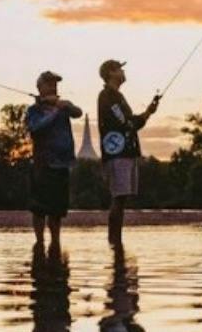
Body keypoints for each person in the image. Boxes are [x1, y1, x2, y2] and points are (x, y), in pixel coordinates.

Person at [96, 59, 159, 247]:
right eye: (120, 69)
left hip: (126, 152)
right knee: (119, 197)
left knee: (122, 199)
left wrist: (148, 112)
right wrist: (147, 114)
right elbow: (126, 123)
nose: (123, 72)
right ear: (111, 73)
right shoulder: (107, 95)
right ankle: (114, 243)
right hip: (118, 154)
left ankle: (117, 244)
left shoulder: (117, 96)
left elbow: (129, 122)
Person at [24, 70, 84, 254]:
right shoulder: (34, 110)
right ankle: (39, 242)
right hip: (43, 164)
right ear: (39, 87)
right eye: (49, 84)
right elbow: (35, 127)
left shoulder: (63, 107)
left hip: (62, 163)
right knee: (39, 207)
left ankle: (56, 242)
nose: (53, 87)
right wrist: (54, 111)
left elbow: (78, 113)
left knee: (57, 210)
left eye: (55, 84)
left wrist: (63, 106)